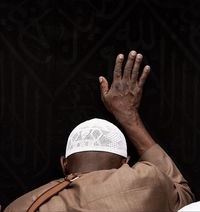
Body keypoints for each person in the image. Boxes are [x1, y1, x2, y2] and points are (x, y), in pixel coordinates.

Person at [4, 50, 194, 212]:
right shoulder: (148, 183)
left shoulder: (19, 207)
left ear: (64, 164)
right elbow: (184, 197)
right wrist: (128, 117)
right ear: (125, 162)